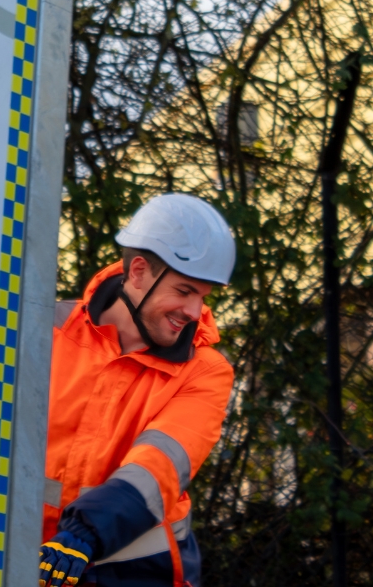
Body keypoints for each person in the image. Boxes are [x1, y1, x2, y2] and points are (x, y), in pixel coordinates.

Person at [38, 194, 236, 587]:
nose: (195, 312)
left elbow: (156, 467)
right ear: (139, 272)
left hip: (130, 573)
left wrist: (85, 531)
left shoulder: (204, 372)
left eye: (202, 297)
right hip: (21, 556)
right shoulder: (46, 330)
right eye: (184, 291)